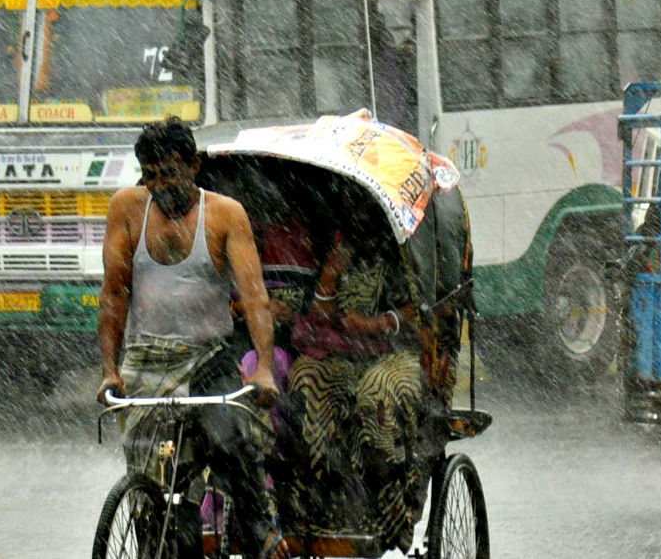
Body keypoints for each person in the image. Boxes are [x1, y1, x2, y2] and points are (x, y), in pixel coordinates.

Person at [95, 117, 287, 559]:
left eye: (171, 174)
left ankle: (259, 526)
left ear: (194, 165)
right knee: (156, 495)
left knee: (230, 442)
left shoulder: (225, 215)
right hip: (146, 360)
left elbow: (256, 300)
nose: (161, 187)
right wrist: (109, 371)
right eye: (151, 176)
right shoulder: (126, 209)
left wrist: (261, 367)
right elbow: (113, 296)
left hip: (207, 358)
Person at [283, 202, 426, 552]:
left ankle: (389, 500)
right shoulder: (336, 247)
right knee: (304, 378)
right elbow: (319, 318)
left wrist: (377, 324)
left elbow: (422, 308)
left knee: (374, 391)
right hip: (342, 355)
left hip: (397, 354)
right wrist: (331, 274)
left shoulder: (402, 249)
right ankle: (318, 503)